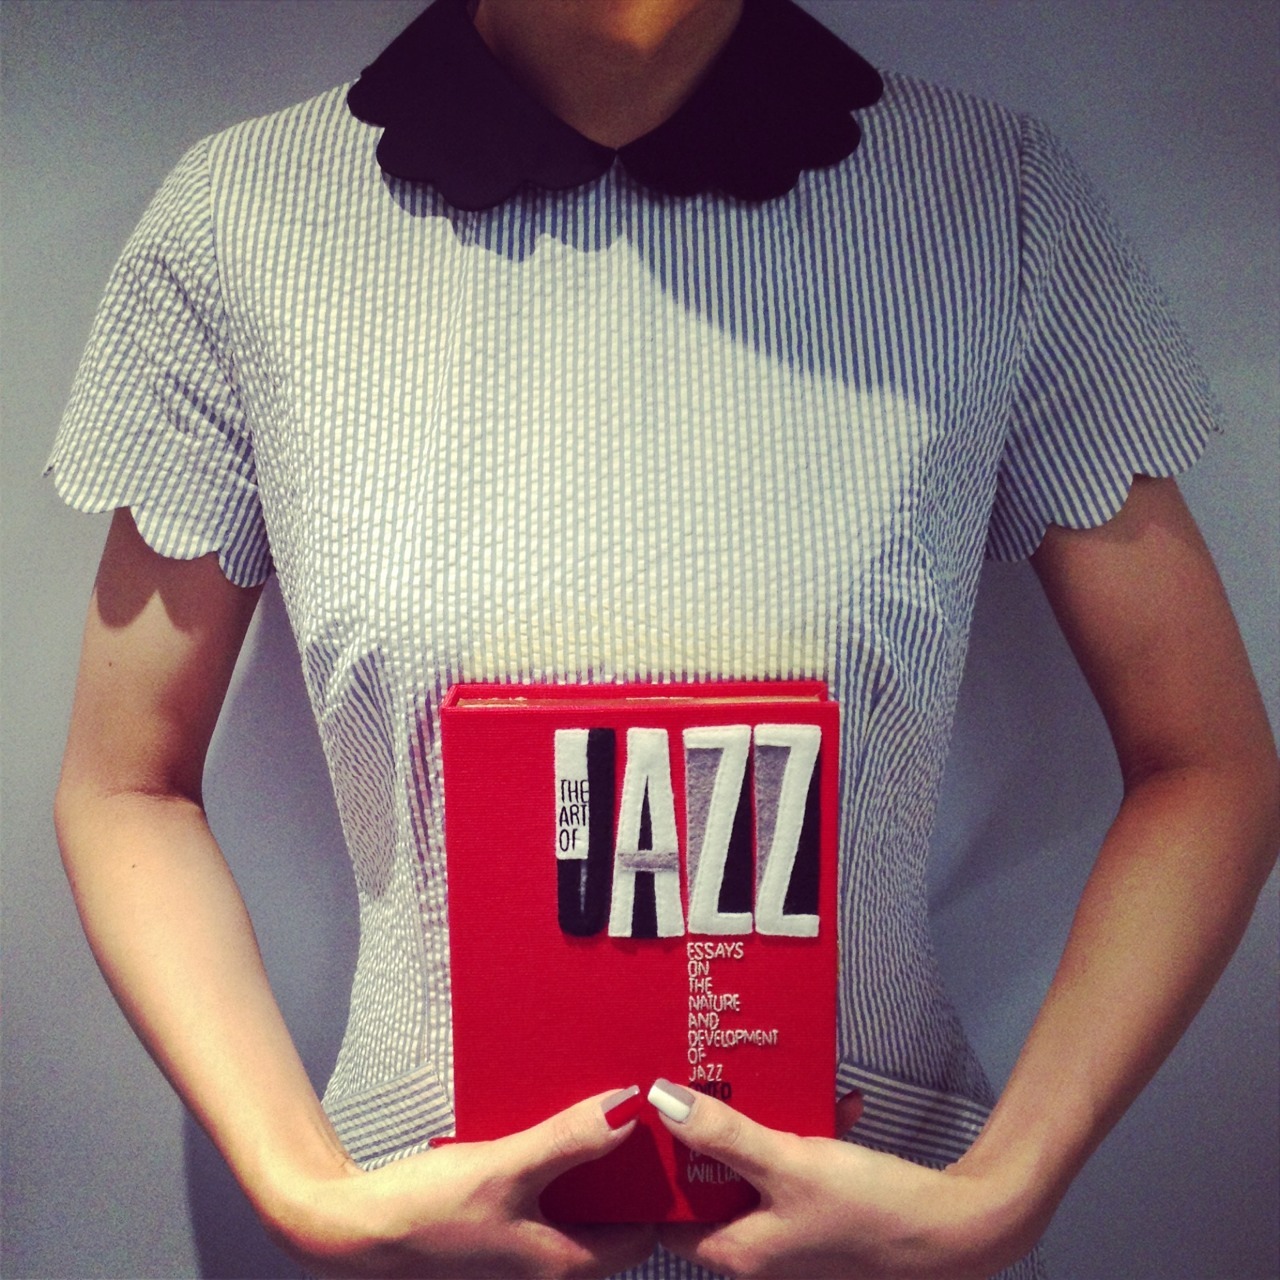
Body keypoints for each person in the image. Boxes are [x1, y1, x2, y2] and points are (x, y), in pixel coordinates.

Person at [47, 1, 1277, 1276]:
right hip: (421, 1239)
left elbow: (1204, 762)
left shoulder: (990, 207)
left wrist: (1003, 1188)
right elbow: (127, 778)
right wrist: (303, 1185)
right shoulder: (241, 224)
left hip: (881, 1240)